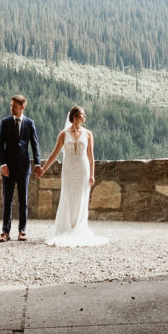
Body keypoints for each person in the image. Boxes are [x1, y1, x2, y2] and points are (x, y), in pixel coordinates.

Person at [37, 105, 108, 247]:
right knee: (68, 196)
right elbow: (54, 153)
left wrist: (92, 174)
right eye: (82, 114)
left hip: (83, 169)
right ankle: (66, 226)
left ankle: (79, 226)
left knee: (81, 196)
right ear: (75, 116)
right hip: (69, 169)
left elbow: (91, 156)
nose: (85, 116)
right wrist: (43, 169)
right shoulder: (64, 134)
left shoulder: (88, 134)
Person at [0, 94, 40, 242]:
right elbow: (0, 146)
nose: (11, 108)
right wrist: (3, 164)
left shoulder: (29, 123)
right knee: (7, 200)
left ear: (22, 107)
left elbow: (34, 145)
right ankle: (5, 232)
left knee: (23, 201)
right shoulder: (5, 122)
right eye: (11, 105)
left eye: (14, 106)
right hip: (8, 168)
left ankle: (22, 230)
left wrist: (37, 164)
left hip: (24, 167)